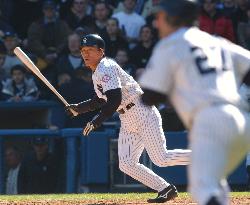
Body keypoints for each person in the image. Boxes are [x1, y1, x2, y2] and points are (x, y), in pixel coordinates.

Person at [139, 0, 250, 205]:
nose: (156, 23)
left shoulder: (171, 43)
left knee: (203, 189)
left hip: (209, 120)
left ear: (174, 18)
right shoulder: (216, 41)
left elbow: (149, 96)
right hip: (242, 120)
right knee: (216, 186)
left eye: (160, 17)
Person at [65, 34, 191, 203]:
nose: (85, 54)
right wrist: (78, 109)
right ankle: (165, 189)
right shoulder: (96, 73)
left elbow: (114, 99)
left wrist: (96, 121)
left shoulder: (106, 66)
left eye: (89, 50)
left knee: (161, 158)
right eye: (83, 50)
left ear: (101, 52)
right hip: (127, 117)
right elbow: (101, 100)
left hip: (142, 112)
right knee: (126, 163)